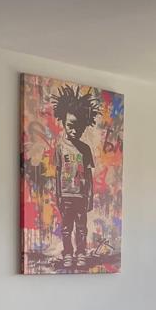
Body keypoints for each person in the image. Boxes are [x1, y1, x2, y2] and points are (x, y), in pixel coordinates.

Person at [52, 85, 101, 269]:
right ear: (63, 123)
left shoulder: (85, 149)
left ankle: (81, 253)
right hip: (66, 195)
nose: (74, 131)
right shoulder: (60, 147)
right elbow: (57, 173)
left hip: (81, 196)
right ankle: (68, 254)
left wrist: (90, 197)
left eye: (78, 127)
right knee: (66, 229)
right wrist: (58, 194)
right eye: (71, 126)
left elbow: (89, 175)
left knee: (81, 229)